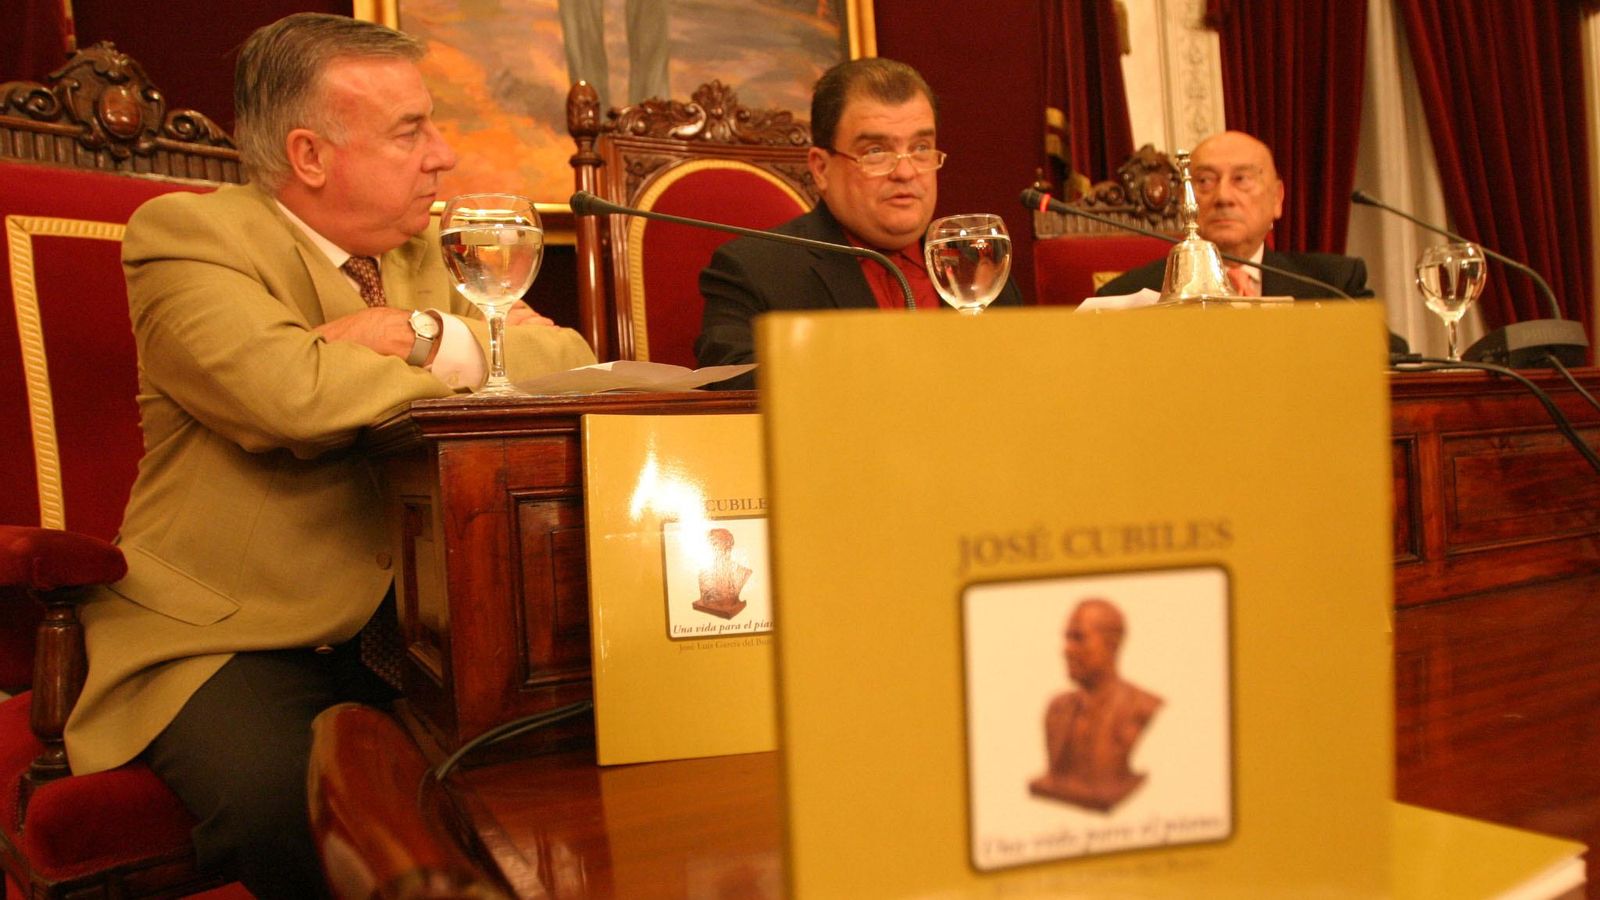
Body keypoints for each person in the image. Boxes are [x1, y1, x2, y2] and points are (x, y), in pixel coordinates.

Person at [61, 13, 594, 898]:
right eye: (410, 130)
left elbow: (568, 365)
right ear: (309, 155)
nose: (444, 154)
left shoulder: (436, 253)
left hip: (435, 634)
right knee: (299, 809)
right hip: (236, 635)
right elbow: (292, 398)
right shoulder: (189, 239)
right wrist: (469, 354)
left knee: (548, 785)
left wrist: (417, 333)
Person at [695, 58, 1025, 390]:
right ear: (822, 169)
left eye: (921, 148)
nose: (906, 172)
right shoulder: (753, 271)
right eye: (876, 151)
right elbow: (730, 385)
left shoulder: (978, 270)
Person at [1096, 130, 1373, 300]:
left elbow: (1391, 361)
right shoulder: (1128, 294)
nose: (1223, 197)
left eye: (1241, 179)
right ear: (1184, 200)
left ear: (1277, 199)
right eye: (1204, 181)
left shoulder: (1335, 284)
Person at [1029, 599, 1161, 812]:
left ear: (1113, 644)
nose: (1067, 650)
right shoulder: (1057, 708)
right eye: (1067, 639)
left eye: (1079, 638)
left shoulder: (1141, 705)